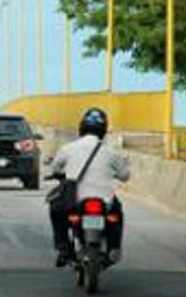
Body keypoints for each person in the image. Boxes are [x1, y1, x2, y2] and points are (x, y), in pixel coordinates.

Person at [48, 108, 130, 266]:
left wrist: (62, 173)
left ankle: (63, 247)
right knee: (116, 215)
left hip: (74, 200)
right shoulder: (111, 153)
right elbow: (125, 176)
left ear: (82, 128)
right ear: (104, 130)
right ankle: (114, 247)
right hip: (105, 201)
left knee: (55, 209)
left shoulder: (68, 148)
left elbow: (55, 169)